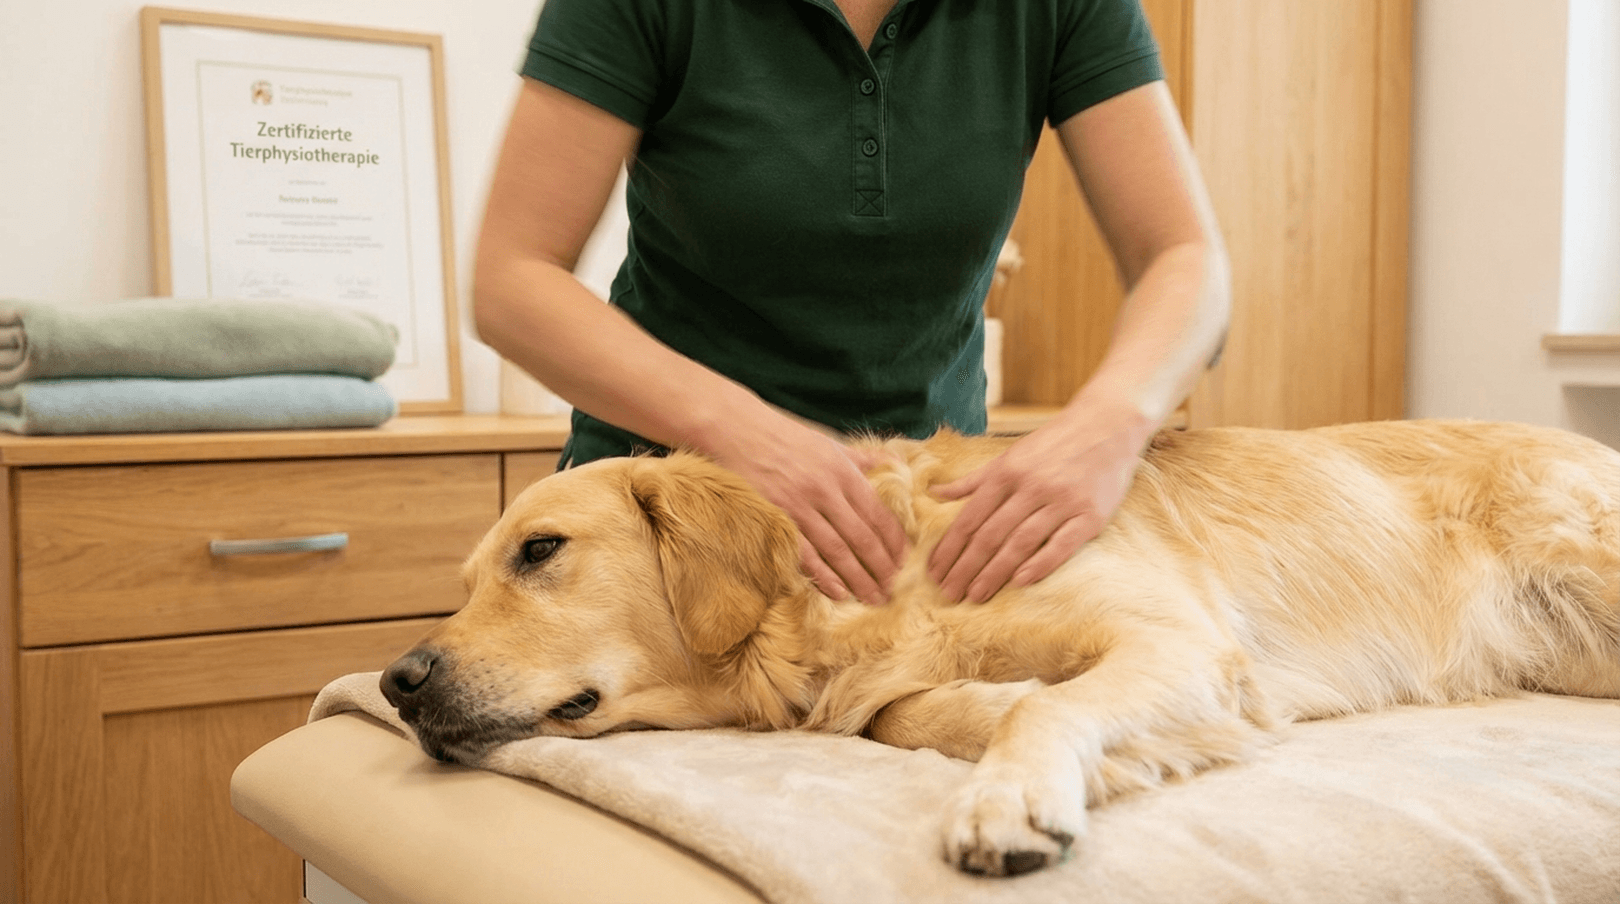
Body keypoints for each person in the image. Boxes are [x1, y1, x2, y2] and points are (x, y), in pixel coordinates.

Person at [473, 0, 1231, 609]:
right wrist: (744, 436)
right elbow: (513, 279)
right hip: (668, 509)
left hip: (917, 521)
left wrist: (1110, 424)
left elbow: (1185, 258)